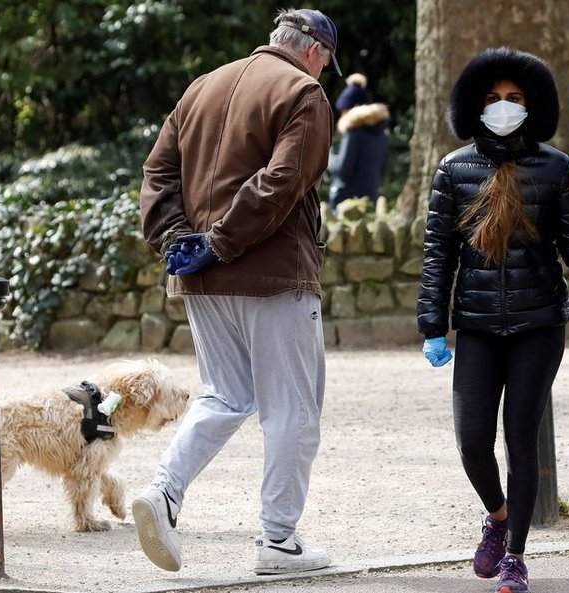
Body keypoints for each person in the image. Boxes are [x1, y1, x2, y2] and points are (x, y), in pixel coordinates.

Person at [137, 7, 340, 576]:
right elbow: (281, 181)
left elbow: (157, 173)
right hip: (272, 274)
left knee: (224, 395)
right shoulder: (303, 93)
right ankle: (278, 542)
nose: (323, 72)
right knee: (292, 411)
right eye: (326, 62)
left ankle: (163, 492)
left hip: (201, 279)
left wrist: (178, 240)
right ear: (315, 51)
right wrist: (222, 241)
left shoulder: (202, 85)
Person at [417, 48, 569, 593]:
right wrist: (433, 324)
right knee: (472, 442)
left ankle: (517, 556)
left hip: (538, 325)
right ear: (475, 107)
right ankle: (498, 519)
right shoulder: (454, 170)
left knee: (519, 439)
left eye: (514, 99)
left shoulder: (555, 168)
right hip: (478, 326)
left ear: (532, 107)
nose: (503, 107)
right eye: (492, 99)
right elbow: (439, 256)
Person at [327, 73, 390, 210]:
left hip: (346, 202)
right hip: (370, 199)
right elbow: (382, 171)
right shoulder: (382, 135)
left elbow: (344, 169)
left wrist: (328, 157)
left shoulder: (353, 133)